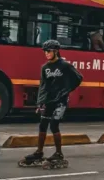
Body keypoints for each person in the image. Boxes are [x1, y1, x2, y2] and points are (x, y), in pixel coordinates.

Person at [19, 41, 83, 169]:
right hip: (49, 101)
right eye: (45, 51)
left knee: (54, 125)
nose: (46, 54)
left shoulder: (65, 66)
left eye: (49, 51)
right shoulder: (45, 67)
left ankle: (59, 153)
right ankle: (39, 152)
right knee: (43, 125)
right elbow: (43, 86)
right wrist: (40, 102)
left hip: (61, 101)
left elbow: (78, 78)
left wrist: (66, 90)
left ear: (56, 51)